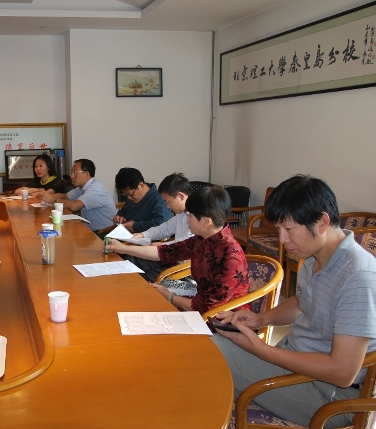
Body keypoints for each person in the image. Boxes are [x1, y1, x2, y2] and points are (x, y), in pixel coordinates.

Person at [212, 175, 376, 428]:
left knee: (212, 353)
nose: (282, 240)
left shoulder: (359, 277)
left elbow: (343, 372)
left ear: (322, 222)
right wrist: (261, 319)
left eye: (288, 229)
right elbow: (302, 302)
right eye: (279, 229)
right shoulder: (314, 257)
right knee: (211, 364)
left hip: (328, 395)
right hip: (297, 365)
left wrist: (261, 349)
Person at [108, 186, 250, 314]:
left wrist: (169, 296)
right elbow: (164, 252)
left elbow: (207, 307)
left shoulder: (231, 256)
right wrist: (124, 248)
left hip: (226, 318)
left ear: (207, 221)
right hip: (199, 302)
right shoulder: (202, 239)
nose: (187, 220)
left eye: (190, 216)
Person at [128, 172, 195, 282]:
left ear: (181, 196)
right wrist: (143, 235)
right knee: (134, 261)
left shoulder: (197, 216)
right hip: (172, 258)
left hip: (185, 269)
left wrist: (163, 245)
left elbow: (187, 243)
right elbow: (164, 229)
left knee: (143, 278)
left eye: (168, 201)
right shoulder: (181, 214)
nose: (167, 206)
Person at [41, 159, 115, 232]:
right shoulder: (82, 187)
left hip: (104, 233)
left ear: (87, 174)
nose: (72, 176)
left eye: (75, 172)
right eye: (71, 173)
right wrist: (46, 195)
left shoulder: (95, 189)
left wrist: (52, 200)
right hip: (89, 229)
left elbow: (75, 206)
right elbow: (65, 196)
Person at [111, 167, 172, 233]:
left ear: (141, 185)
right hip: (125, 234)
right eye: (126, 195)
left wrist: (135, 226)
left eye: (131, 194)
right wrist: (120, 217)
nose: (129, 198)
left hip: (145, 237)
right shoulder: (132, 197)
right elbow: (123, 212)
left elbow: (162, 223)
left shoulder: (158, 199)